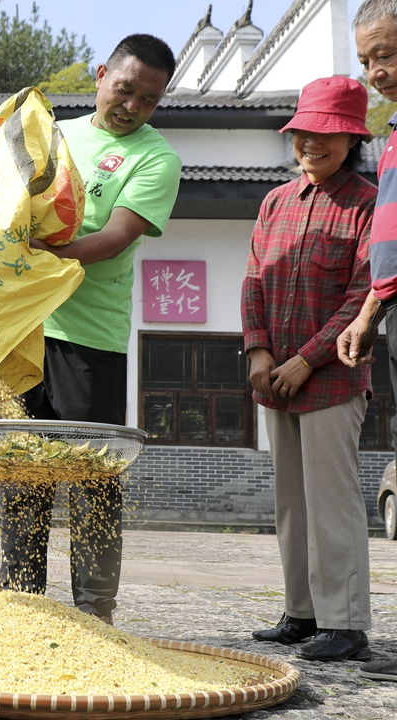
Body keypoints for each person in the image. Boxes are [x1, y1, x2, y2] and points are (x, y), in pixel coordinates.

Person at [0, 34, 182, 625]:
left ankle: (94, 611)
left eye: (147, 100)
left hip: (90, 340)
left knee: (91, 477)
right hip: (22, 331)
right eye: (124, 90)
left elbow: (115, 237)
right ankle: (19, 600)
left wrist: (38, 249)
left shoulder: (157, 158)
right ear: (101, 76)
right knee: (22, 467)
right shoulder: (52, 135)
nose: (131, 106)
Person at [244, 76, 375, 662]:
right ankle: (301, 614)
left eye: (327, 132)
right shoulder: (274, 202)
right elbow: (253, 282)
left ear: (352, 138)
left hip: (334, 379)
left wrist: (306, 359)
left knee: (332, 500)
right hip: (276, 378)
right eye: (303, 131)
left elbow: (364, 293)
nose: (311, 142)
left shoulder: (370, 205)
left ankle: (344, 624)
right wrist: (259, 351)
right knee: (292, 502)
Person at [337, 0, 397, 680]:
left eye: (386, 54)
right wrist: (369, 315)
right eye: (365, 61)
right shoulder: (393, 134)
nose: (376, 72)